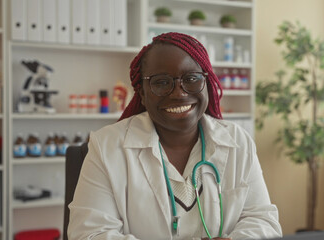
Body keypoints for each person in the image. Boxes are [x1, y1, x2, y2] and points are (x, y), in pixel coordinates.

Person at [68, 32, 282, 240]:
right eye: (161, 82)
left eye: (191, 79)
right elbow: (88, 233)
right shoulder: (107, 146)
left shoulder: (238, 141)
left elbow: (263, 221)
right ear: (141, 92)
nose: (179, 93)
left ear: (206, 84)